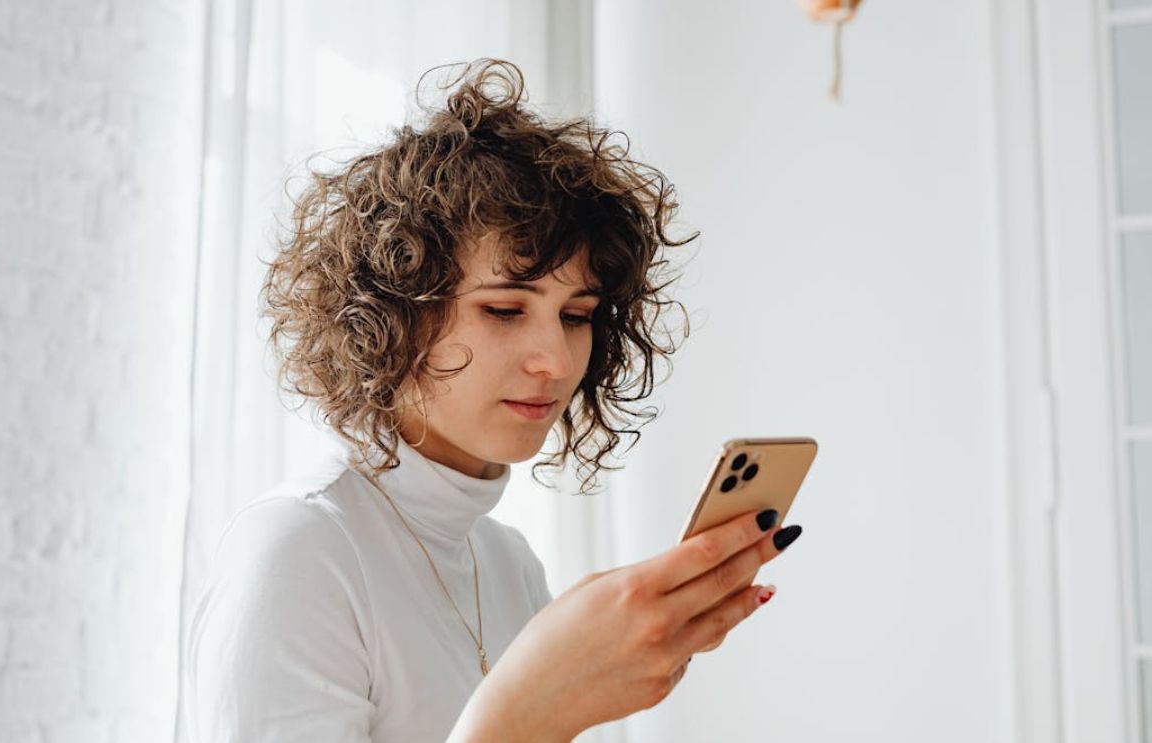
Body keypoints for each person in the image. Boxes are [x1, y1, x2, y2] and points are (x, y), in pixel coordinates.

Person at [181, 57, 803, 743]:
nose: (555, 360)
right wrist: (532, 708)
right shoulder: (298, 551)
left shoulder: (509, 563)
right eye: (505, 309)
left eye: (577, 315)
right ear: (391, 314)